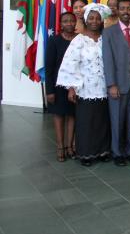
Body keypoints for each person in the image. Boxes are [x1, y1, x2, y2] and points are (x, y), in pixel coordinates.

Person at [57, 3, 112, 166]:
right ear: (86, 20)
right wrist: (71, 88)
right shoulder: (78, 40)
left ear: (102, 20)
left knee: (102, 120)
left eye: (97, 18)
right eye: (91, 18)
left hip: (104, 87)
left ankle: (102, 151)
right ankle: (86, 153)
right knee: (86, 122)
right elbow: (70, 64)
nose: (94, 21)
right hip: (85, 88)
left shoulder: (105, 38)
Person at [103, 0, 130, 166]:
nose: (126, 11)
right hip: (117, 84)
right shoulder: (109, 32)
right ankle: (117, 152)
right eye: (122, 8)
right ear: (117, 10)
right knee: (117, 120)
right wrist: (111, 84)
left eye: (129, 9)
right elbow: (108, 59)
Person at [45, 12, 78, 162]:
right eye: (66, 21)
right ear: (61, 24)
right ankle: (60, 146)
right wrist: (50, 90)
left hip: (75, 85)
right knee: (59, 115)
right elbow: (49, 67)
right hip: (58, 87)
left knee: (72, 115)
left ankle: (69, 146)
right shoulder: (54, 40)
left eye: (72, 21)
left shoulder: (79, 40)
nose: (69, 23)